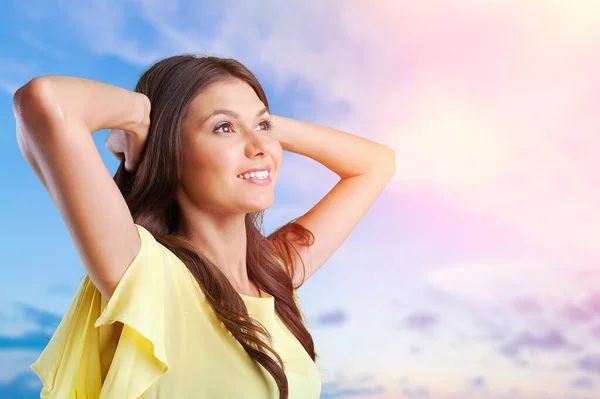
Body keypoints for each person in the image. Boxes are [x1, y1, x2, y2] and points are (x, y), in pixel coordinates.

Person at [13, 54, 396, 399]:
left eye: (264, 126)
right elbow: (45, 99)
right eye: (223, 129)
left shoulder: (273, 277)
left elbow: (376, 163)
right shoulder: (148, 276)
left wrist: (256, 123)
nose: (260, 146)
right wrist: (139, 117)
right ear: (169, 150)